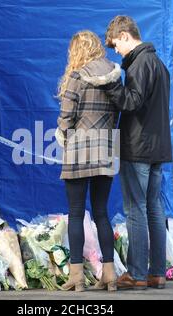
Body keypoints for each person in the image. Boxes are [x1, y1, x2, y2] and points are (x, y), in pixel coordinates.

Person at [101, 16, 173, 290]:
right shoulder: (159, 64)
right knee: (154, 209)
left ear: (126, 36)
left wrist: (111, 85)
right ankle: (157, 273)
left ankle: (137, 274)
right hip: (158, 148)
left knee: (136, 210)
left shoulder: (140, 63)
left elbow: (132, 101)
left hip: (139, 147)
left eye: (116, 44)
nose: (116, 50)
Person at [56, 30, 121, 292]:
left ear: (77, 51)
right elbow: (117, 114)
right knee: (102, 213)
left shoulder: (76, 76)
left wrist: (63, 135)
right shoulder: (115, 78)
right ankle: (109, 274)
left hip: (79, 152)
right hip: (105, 150)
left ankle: (77, 277)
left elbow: (66, 116)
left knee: (76, 213)